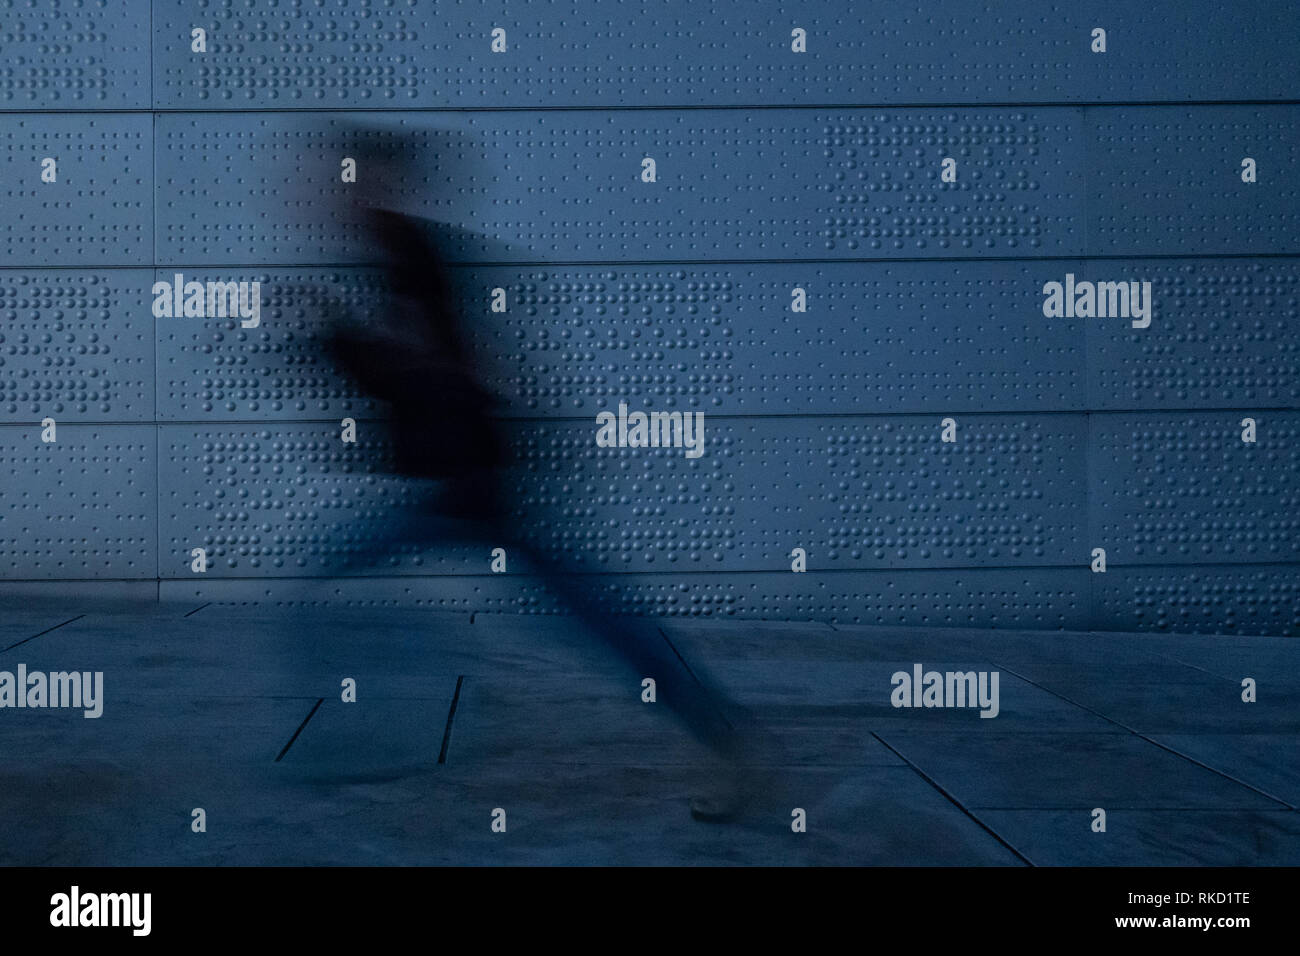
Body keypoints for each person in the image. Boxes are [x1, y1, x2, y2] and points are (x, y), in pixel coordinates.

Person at [324, 200, 773, 822]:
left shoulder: (412, 259)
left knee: (592, 614)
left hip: (478, 485)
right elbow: (425, 372)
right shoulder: (399, 264)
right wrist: (342, 346)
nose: (320, 198)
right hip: (463, 485)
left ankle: (724, 731)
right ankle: (720, 727)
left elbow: (441, 367)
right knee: (586, 610)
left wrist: (345, 344)